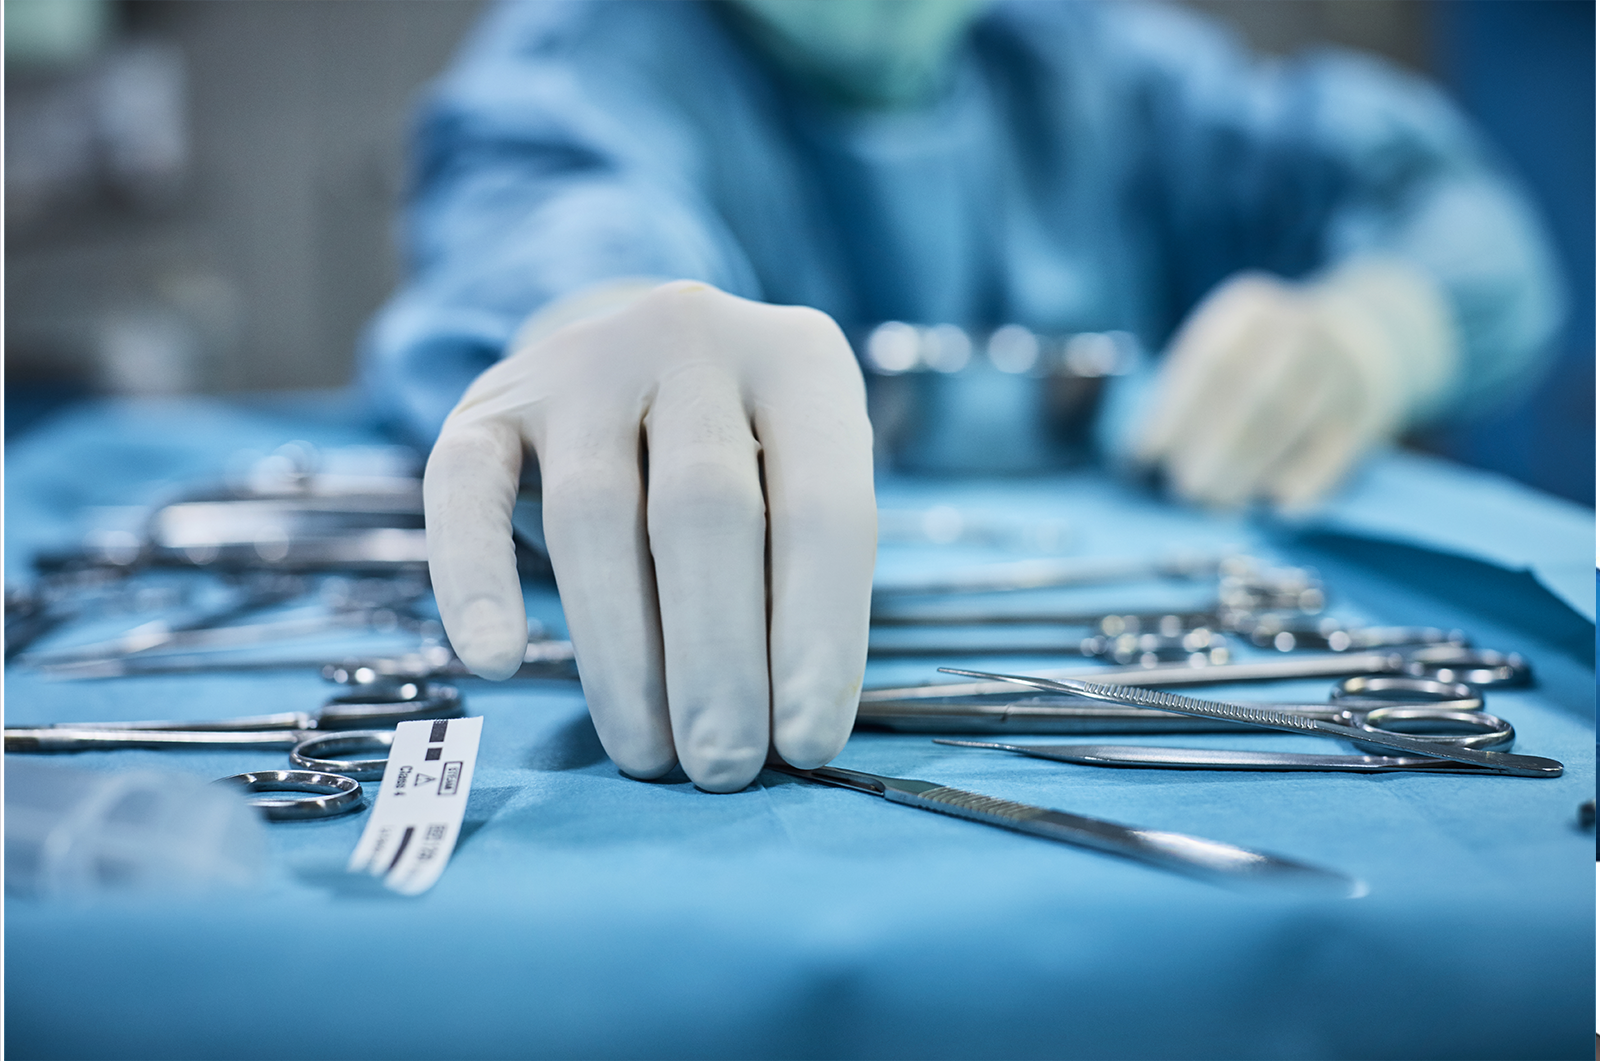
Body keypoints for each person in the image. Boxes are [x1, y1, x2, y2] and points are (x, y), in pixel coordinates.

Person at [361, 0, 1563, 792]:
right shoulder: (595, 63)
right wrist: (603, 317)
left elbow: (1463, 218)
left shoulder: (1086, 61)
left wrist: (1382, 324)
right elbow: (551, 211)